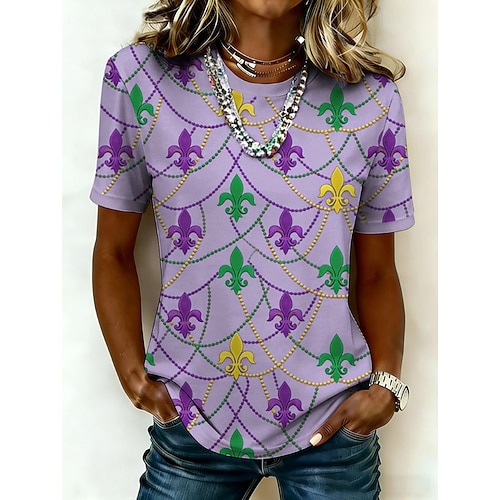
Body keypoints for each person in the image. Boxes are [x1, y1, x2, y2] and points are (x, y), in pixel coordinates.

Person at [90, 1, 414, 498]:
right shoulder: (139, 79)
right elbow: (112, 251)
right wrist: (133, 376)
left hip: (333, 428)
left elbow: (377, 272)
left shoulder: (372, 97)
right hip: (192, 424)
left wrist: (386, 386)